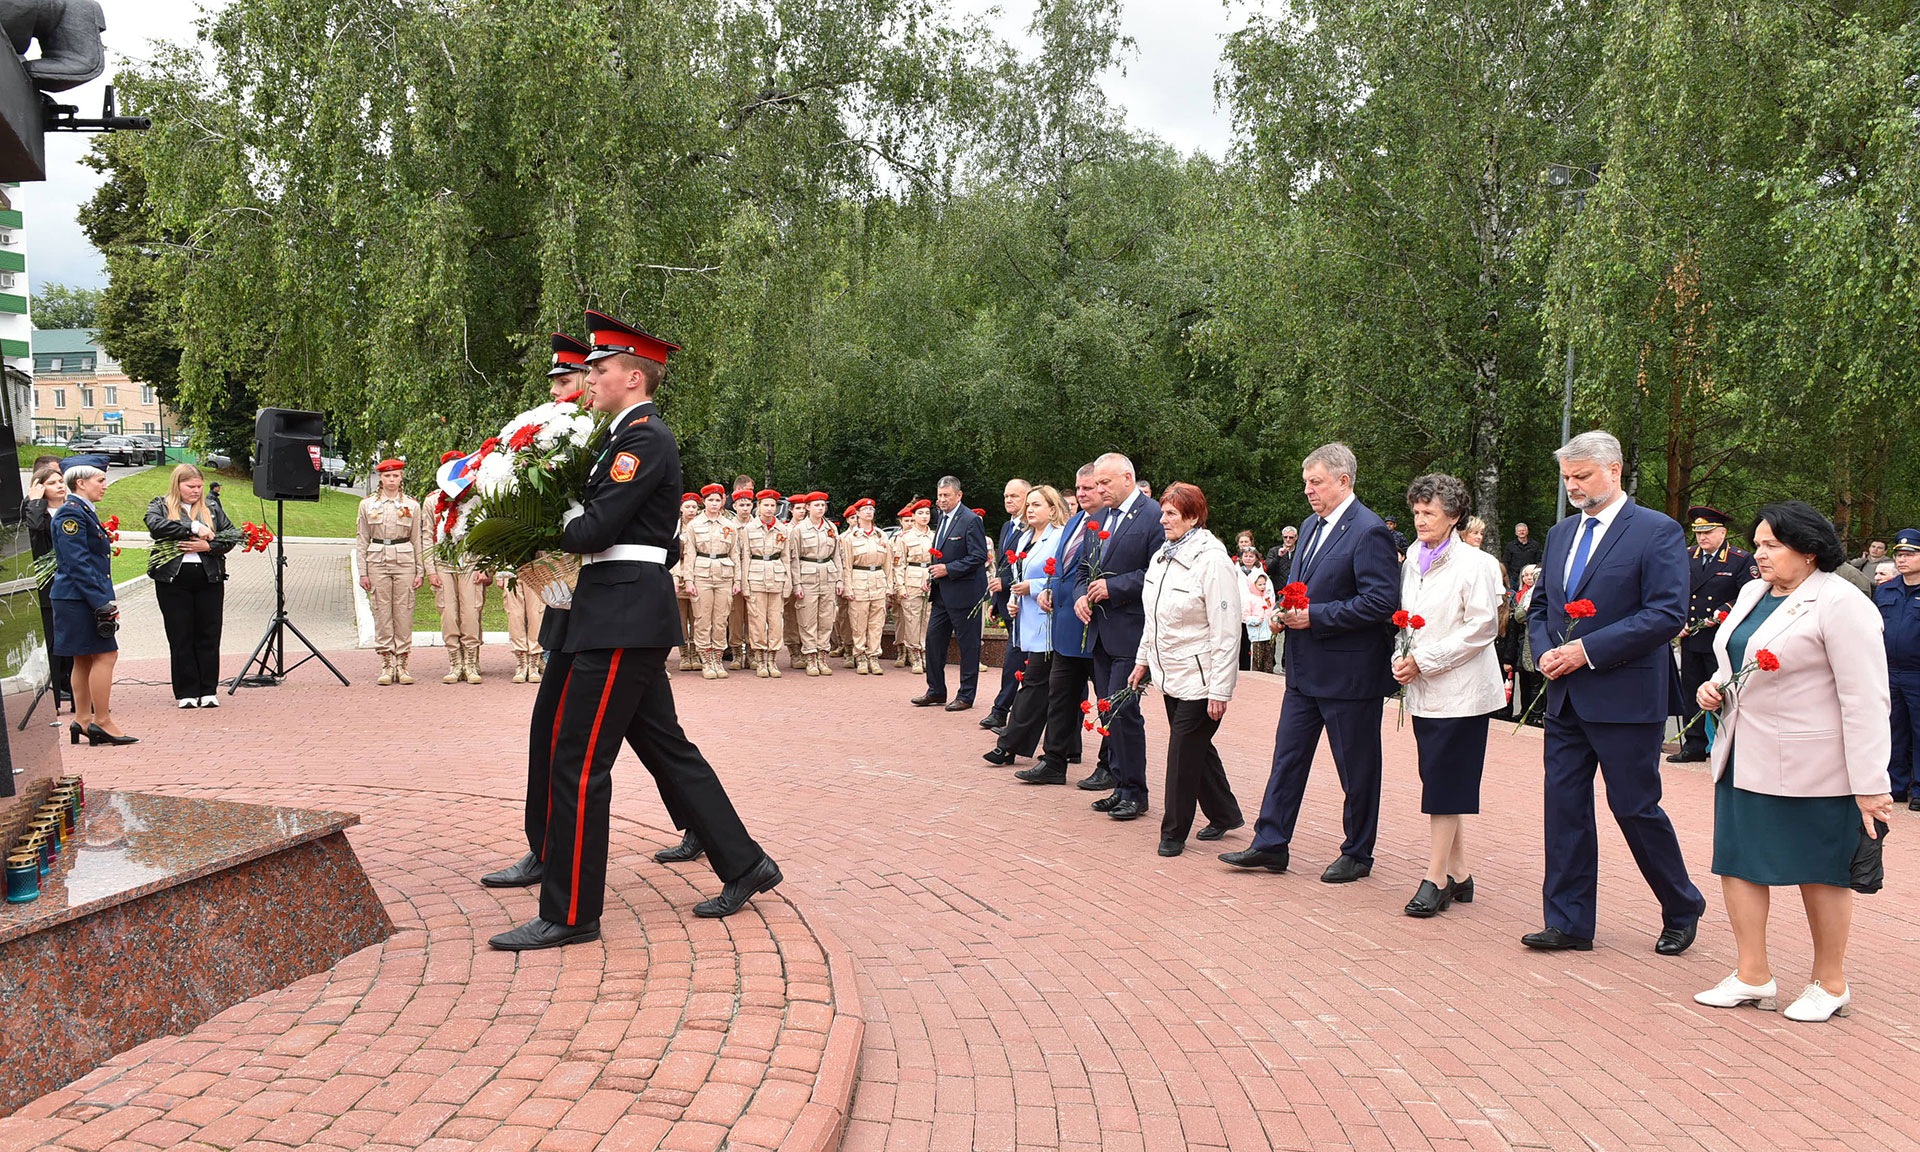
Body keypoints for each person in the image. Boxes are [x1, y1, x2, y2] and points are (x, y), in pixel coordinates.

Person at [486, 309, 777, 951]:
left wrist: (526, 520)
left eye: (601, 368)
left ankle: (571, 912)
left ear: (634, 377)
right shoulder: (621, 437)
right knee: (662, 746)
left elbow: (594, 529)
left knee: (578, 760)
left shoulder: (643, 439)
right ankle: (745, 862)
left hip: (620, 617)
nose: (589, 377)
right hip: (612, 610)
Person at [1693, 501, 1893, 1022]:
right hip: (1742, 753)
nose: (1759, 554)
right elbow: (1735, 660)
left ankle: (1830, 983)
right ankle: (1752, 974)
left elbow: (1866, 699)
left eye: (1771, 545)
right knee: (1737, 862)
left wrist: (1871, 783)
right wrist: (1713, 687)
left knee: (1821, 872)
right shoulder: (1752, 593)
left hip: (1816, 767)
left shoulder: (1842, 603)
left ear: (1809, 551)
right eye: (1757, 544)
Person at [1522, 430, 1705, 955]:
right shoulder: (1560, 534)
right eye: (1567, 478)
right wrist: (1547, 651)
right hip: (1565, 696)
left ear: (1615, 470)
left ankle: (1681, 904)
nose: (1573, 486)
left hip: (1626, 698)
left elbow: (1665, 613)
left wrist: (1586, 650)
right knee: (1564, 810)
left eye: (1582, 476)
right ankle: (1569, 922)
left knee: (1634, 808)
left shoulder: (1656, 530)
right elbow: (1542, 607)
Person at [1223, 443, 1397, 880]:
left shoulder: (1369, 530)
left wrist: (1314, 616)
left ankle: (1357, 853)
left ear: (1344, 480)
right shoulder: (1310, 525)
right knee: (1287, 758)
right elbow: (1301, 586)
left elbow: (1381, 602)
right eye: (1305, 482)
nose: (1307, 490)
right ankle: (1270, 844)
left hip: (1349, 675)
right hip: (1303, 670)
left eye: (1315, 482)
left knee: (1356, 769)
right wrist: (1283, 612)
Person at [1391, 474, 1505, 916]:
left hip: (1463, 692)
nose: (1420, 520)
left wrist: (1426, 660)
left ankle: (1435, 878)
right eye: (1416, 512)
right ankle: (1460, 873)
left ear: (1454, 516)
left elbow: (1482, 627)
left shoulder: (1476, 563)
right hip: (1424, 688)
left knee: (1443, 782)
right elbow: (1406, 619)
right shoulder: (1412, 559)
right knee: (1439, 779)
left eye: (1430, 513)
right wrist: (1402, 656)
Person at [1130, 482, 1243, 856]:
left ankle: (1174, 833)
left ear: (1193, 517)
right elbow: (1153, 618)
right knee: (1195, 748)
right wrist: (1143, 660)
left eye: (1171, 513)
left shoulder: (1213, 561)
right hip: (1170, 674)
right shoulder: (1162, 556)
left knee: (1181, 754)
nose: (1162, 519)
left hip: (1201, 678)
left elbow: (1227, 630)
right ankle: (1225, 814)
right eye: (1163, 512)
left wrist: (1220, 689)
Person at [1070, 453, 1163, 821]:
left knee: (1125, 712)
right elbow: (1082, 569)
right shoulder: (1098, 519)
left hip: (1131, 631)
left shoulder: (1153, 515)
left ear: (1128, 478)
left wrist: (1114, 587)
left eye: (1105, 483)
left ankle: (1136, 793)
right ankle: (1120, 786)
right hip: (1100, 633)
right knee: (1108, 711)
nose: (1099, 489)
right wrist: (1081, 594)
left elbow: (1157, 572)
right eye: (1097, 483)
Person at [1017, 466, 1105, 788]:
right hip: (1066, 625)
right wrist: (1049, 589)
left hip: (1097, 626)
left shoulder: (1110, 523)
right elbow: (1061, 567)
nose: (1081, 494)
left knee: (1106, 700)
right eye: (1078, 488)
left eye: (1089, 488)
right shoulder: (1074, 522)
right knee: (1060, 696)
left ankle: (1109, 765)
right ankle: (1053, 762)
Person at [49, 464, 136, 745]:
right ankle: (102, 721)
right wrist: (101, 602)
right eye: (100, 480)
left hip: (78, 596)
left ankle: (83, 719)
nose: (105, 485)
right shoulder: (72, 513)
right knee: (106, 655)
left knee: (84, 658)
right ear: (81, 483)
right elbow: (77, 563)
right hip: (79, 598)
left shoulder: (81, 510)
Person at [983, 485, 1067, 765]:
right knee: (1051, 687)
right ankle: (1069, 747)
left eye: (1037, 505)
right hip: (1025, 620)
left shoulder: (1060, 537)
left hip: (1049, 623)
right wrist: (1012, 601)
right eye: (1028, 505)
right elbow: (1017, 575)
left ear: (1052, 509)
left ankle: (1008, 745)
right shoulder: (1024, 539)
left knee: (1034, 682)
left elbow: (1064, 578)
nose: (1030, 510)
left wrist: (1034, 587)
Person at [1671, 506, 1757, 764]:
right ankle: (1694, 745)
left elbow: (1750, 594)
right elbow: (1675, 590)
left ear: (1722, 533)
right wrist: (1678, 619)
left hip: (1721, 636)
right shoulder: (1686, 556)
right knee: (1691, 690)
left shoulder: (1740, 560)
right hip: (1691, 634)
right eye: (1698, 533)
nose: (1702, 537)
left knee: (1723, 693)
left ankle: (1727, 746)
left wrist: (1725, 610)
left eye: (1708, 532)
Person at [145, 463, 237, 707]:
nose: (196, 491)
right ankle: (186, 692)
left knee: (208, 634)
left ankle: (208, 690)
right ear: (177, 485)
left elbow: (231, 535)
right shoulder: (161, 505)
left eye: (199, 486)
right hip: (173, 581)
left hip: (209, 578)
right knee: (180, 635)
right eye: (190, 486)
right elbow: (155, 526)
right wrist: (192, 527)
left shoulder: (212, 507)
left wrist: (208, 547)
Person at [910, 477, 990, 711]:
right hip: (942, 594)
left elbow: (979, 556)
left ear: (959, 495)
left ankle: (966, 695)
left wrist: (949, 569)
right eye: (939, 495)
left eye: (947, 495)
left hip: (965, 594)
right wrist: (932, 575)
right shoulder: (942, 518)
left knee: (968, 647)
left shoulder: (970, 520)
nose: (942, 500)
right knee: (933, 642)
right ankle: (936, 690)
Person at [422, 454, 490, 685]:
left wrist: (486, 567)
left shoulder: (477, 499)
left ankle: (471, 662)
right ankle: (455, 662)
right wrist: (430, 570)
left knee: (470, 612)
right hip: (444, 563)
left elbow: (487, 535)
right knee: (448, 614)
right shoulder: (433, 501)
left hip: (470, 561)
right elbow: (427, 536)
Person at [357, 458, 424, 686]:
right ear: (381, 478)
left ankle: (402, 664)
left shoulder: (412, 505)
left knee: (404, 611)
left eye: (395, 475)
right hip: (377, 560)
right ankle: (386, 664)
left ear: (401, 477)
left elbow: (417, 539)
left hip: (404, 561)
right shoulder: (368, 505)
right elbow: (362, 539)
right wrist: (363, 571)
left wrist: (420, 571)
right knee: (381, 611)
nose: (391, 480)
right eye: (387, 476)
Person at [1874, 528, 1920, 808]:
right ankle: (1896, 785)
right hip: (1889, 671)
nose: (1902, 560)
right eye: (1899, 555)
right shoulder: (1885, 590)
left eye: (1910, 555)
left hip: (1917, 673)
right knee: (1893, 730)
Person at [23, 464, 75, 711]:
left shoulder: (72, 509)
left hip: (73, 586)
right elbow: (34, 532)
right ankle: (54, 700)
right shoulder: (36, 513)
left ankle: (78, 696)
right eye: (52, 483)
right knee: (54, 644)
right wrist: (35, 502)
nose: (60, 486)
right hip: (49, 588)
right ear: (40, 487)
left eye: (61, 481)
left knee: (76, 643)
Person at [983, 479, 1034, 730]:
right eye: (1006, 496)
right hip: (1006, 601)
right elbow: (1003, 565)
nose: (1009, 500)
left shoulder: (1033, 528)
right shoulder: (1007, 526)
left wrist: (1004, 583)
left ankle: (1002, 710)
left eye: (1015, 496)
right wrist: (995, 601)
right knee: (1016, 658)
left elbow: (1030, 567)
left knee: (1017, 659)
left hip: (1026, 602)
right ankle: (1007, 712)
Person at [681, 484, 737, 678]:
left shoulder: (730, 525)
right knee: (702, 619)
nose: (714, 503)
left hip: (724, 575)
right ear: (704, 502)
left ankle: (718, 658)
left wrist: (737, 580)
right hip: (702, 574)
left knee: (721, 620)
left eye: (717, 500)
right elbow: (689, 554)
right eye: (710, 500)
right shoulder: (694, 525)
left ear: (722, 502)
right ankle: (706, 659)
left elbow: (735, 554)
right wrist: (689, 580)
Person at [735, 489, 792, 677]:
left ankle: (772, 660)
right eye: (765, 505)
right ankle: (760, 660)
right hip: (756, 576)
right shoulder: (749, 529)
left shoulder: (783, 529)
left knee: (776, 621)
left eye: (772, 505)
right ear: (758, 506)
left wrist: (788, 583)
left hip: (777, 576)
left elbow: (786, 558)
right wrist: (745, 584)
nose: (769, 509)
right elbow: (745, 558)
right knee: (757, 621)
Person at [788, 492, 840, 676]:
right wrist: (797, 584)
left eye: (823, 505)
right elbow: (794, 559)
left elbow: (836, 555)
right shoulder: (799, 529)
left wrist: (839, 579)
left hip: (828, 574)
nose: (820, 508)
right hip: (807, 575)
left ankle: (822, 657)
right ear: (808, 507)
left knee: (826, 618)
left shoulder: (831, 528)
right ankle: (810, 657)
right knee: (807, 619)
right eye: (816, 505)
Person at [838, 498, 892, 674]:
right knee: (858, 622)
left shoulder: (881, 535)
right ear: (857, 514)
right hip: (859, 581)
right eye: (865, 509)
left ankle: (873, 656)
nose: (869, 512)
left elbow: (888, 564)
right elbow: (847, 565)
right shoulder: (850, 538)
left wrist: (889, 586)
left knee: (877, 623)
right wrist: (848, 588)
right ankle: (860, 656)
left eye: (871, 509)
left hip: (878, 580)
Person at [892, 499, 934, 672]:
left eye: (927, 513)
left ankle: (925, 652)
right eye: (920, 513)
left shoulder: (935, 536)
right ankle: (914, 654)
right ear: (914, 516)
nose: (924, 516)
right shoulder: (904, 538)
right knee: (912, 619)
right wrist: (900, 586)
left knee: (928, 618)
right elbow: (899, 564)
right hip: (912, 579)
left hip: (931, 579)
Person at [1502, 564, 1544, 725]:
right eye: (1526, 575)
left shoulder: (1544, 592)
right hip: (1523, 642)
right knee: (1525, 679)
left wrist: (1531, 614)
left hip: (1538, 640)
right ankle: (1525, 711)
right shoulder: (1525, 595)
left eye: (1533, 575)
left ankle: (1536, 716)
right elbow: (1519, 615)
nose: (1530, 578)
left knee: (1536, 681)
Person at [727, 484, 756, 668]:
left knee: (754, 616)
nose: (745, 508)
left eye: (748, 505)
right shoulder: (728, 526)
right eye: (741, 505)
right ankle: (736, 653)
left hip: (754, 575)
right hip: (733, 576)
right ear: (734, 506)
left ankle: (752, 653)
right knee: (735, 616)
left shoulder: (757, 525)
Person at [672, 493, 701, 671]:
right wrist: (675, 577)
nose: (691, 510)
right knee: (681, 618)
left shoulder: (702, 526)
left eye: (694, 507)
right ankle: (684, 654)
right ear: (681, 508)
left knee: (698, 617)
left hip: (699, 574)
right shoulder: (674, 528)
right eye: (688, 507)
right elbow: (673, 555)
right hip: (680, 575)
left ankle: (696, 653)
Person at [1244, 571, 1275, 674]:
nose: (1262, 587)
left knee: (1269, 660)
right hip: (1257, 635)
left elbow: (1272, 610)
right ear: (1253, 585)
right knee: (1257, 661)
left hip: (1269, 634)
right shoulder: (1250, 599)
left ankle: (1268, 678)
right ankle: (1256, 678)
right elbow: (1245, 617)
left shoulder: (1267, 598)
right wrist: (1255, 620)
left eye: (1264, 584)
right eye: (1259, 584)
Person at [1503, 522, 1542, 590]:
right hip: (1514, 577)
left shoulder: (1535, 545)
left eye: (1523, 530)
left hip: (1530, 577)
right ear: (1516, 533)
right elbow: (1506, 561)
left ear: (1527, 532)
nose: (1521, 532)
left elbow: (1539, 561)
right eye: (1519, 531)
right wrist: (1509, 575)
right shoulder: (1510, 545)